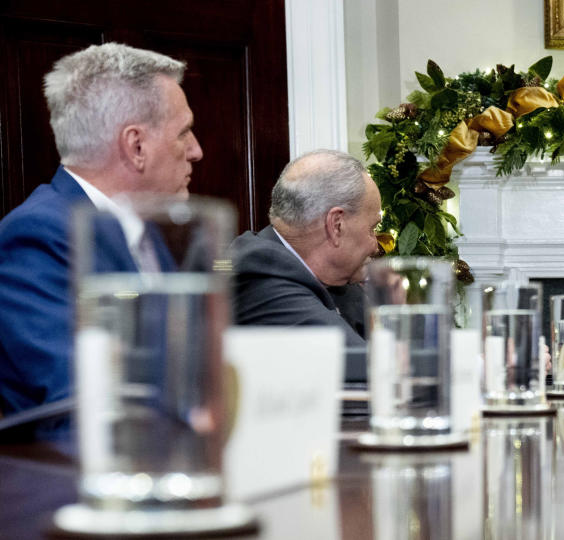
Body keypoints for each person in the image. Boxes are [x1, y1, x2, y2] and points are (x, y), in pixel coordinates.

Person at [0, 43, 203, 415]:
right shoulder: (36, 237)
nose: (196, 151)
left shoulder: (147, 235)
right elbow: (80, 406)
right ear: (136, 146)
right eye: (184, 133)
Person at [231, 150, 381, 349]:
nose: (376, 246)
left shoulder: (337, 278)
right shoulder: (258, 272)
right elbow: (365, 366)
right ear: (336, 225)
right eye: (372, 229)